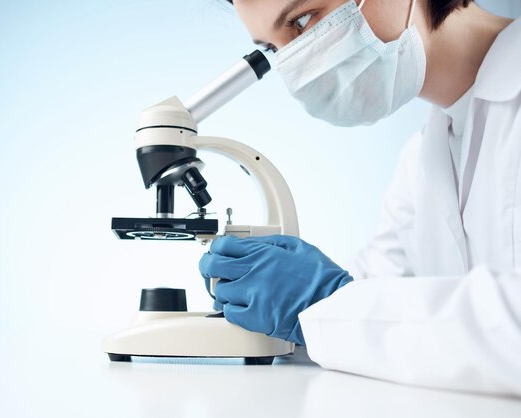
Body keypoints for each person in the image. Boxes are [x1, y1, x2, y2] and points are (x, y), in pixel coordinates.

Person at [199, 0, 521, 396]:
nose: (298, 64)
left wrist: (326, 304)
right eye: (275, 48)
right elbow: (375, 306)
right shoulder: (423, 160)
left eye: (302, 20)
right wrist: (293, 308)